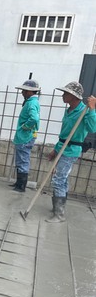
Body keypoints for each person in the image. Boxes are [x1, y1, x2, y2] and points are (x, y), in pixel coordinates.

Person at [46, 82, 96, 223]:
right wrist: (55, 150)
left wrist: (92, 109)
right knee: (62, 178)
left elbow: (93, 128)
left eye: (66, 93)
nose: (63, 95)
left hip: (71, 151)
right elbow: (64, 134)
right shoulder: (68, 110)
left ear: (74, 96)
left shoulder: (84, 111)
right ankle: (57, 207)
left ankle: (59, 214)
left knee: (59, 179)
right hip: (62, 147)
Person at [10, 79, 41, 192]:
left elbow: (34, 118)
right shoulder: (31, 102)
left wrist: (25, 127)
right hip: (25, 136)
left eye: (24, 90)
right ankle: (18, 183)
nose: (22, 92)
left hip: (25, 136)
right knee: (20, 159)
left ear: (29, 91)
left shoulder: (32, 103)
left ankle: (21, 186)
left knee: (23, 160)